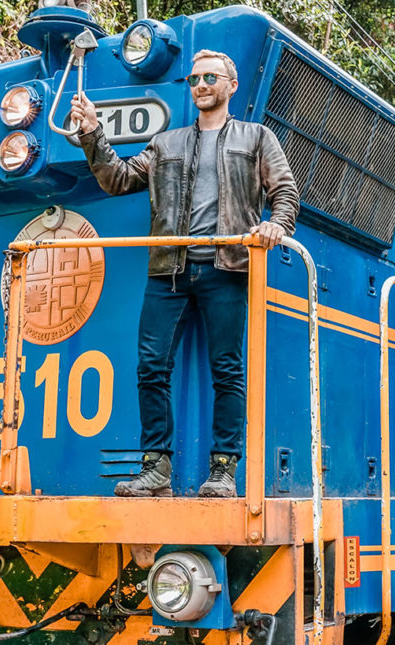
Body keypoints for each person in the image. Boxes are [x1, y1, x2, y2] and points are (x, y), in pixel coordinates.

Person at [70, 49, 299, 498]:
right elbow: (117, 179)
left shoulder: (256, 138)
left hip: (228, 265)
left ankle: (223, 471)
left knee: (228, 370)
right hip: (168, 269)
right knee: (151, 367)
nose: (200, 85)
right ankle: (155, 470)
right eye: (193, 79)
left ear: (232, 85)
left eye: (210, 77)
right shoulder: (166, 143)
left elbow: (285, 191)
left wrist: (277, 224)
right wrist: (92, 132)